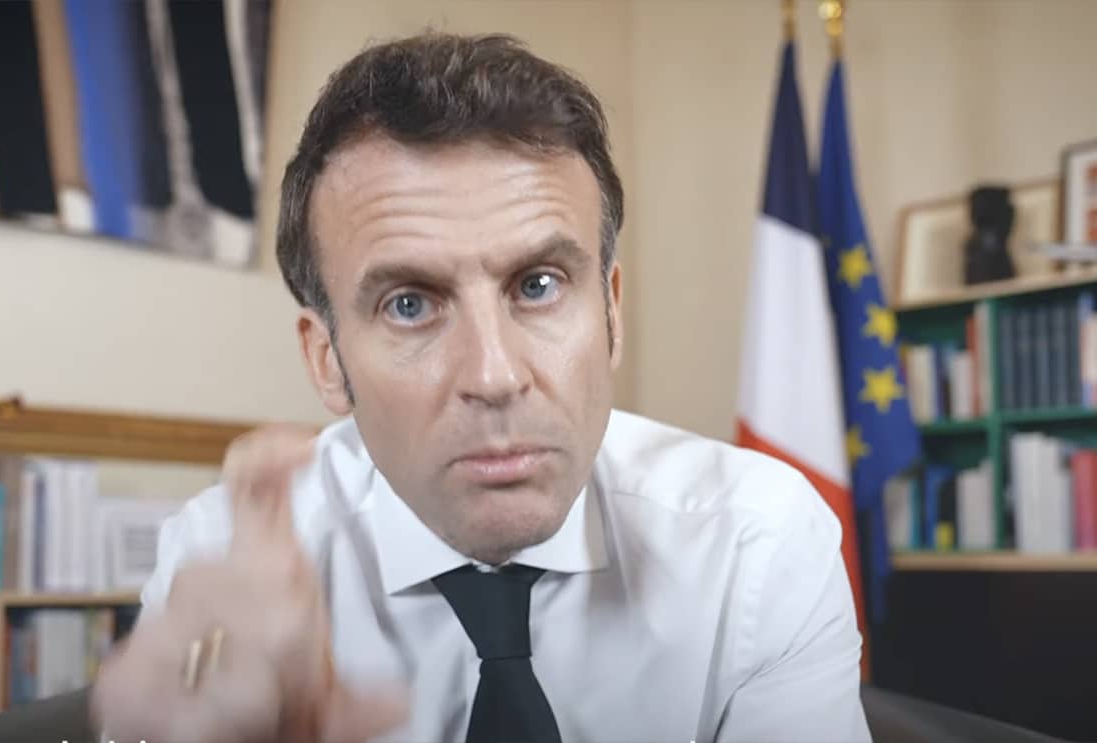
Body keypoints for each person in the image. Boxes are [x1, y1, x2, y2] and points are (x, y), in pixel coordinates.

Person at [92, 31, 871, 743]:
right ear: (326, 358)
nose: (494, 376)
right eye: (410, 304)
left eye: (538, 285)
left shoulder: (755, 542)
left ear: (611, 313)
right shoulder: (224, 564)